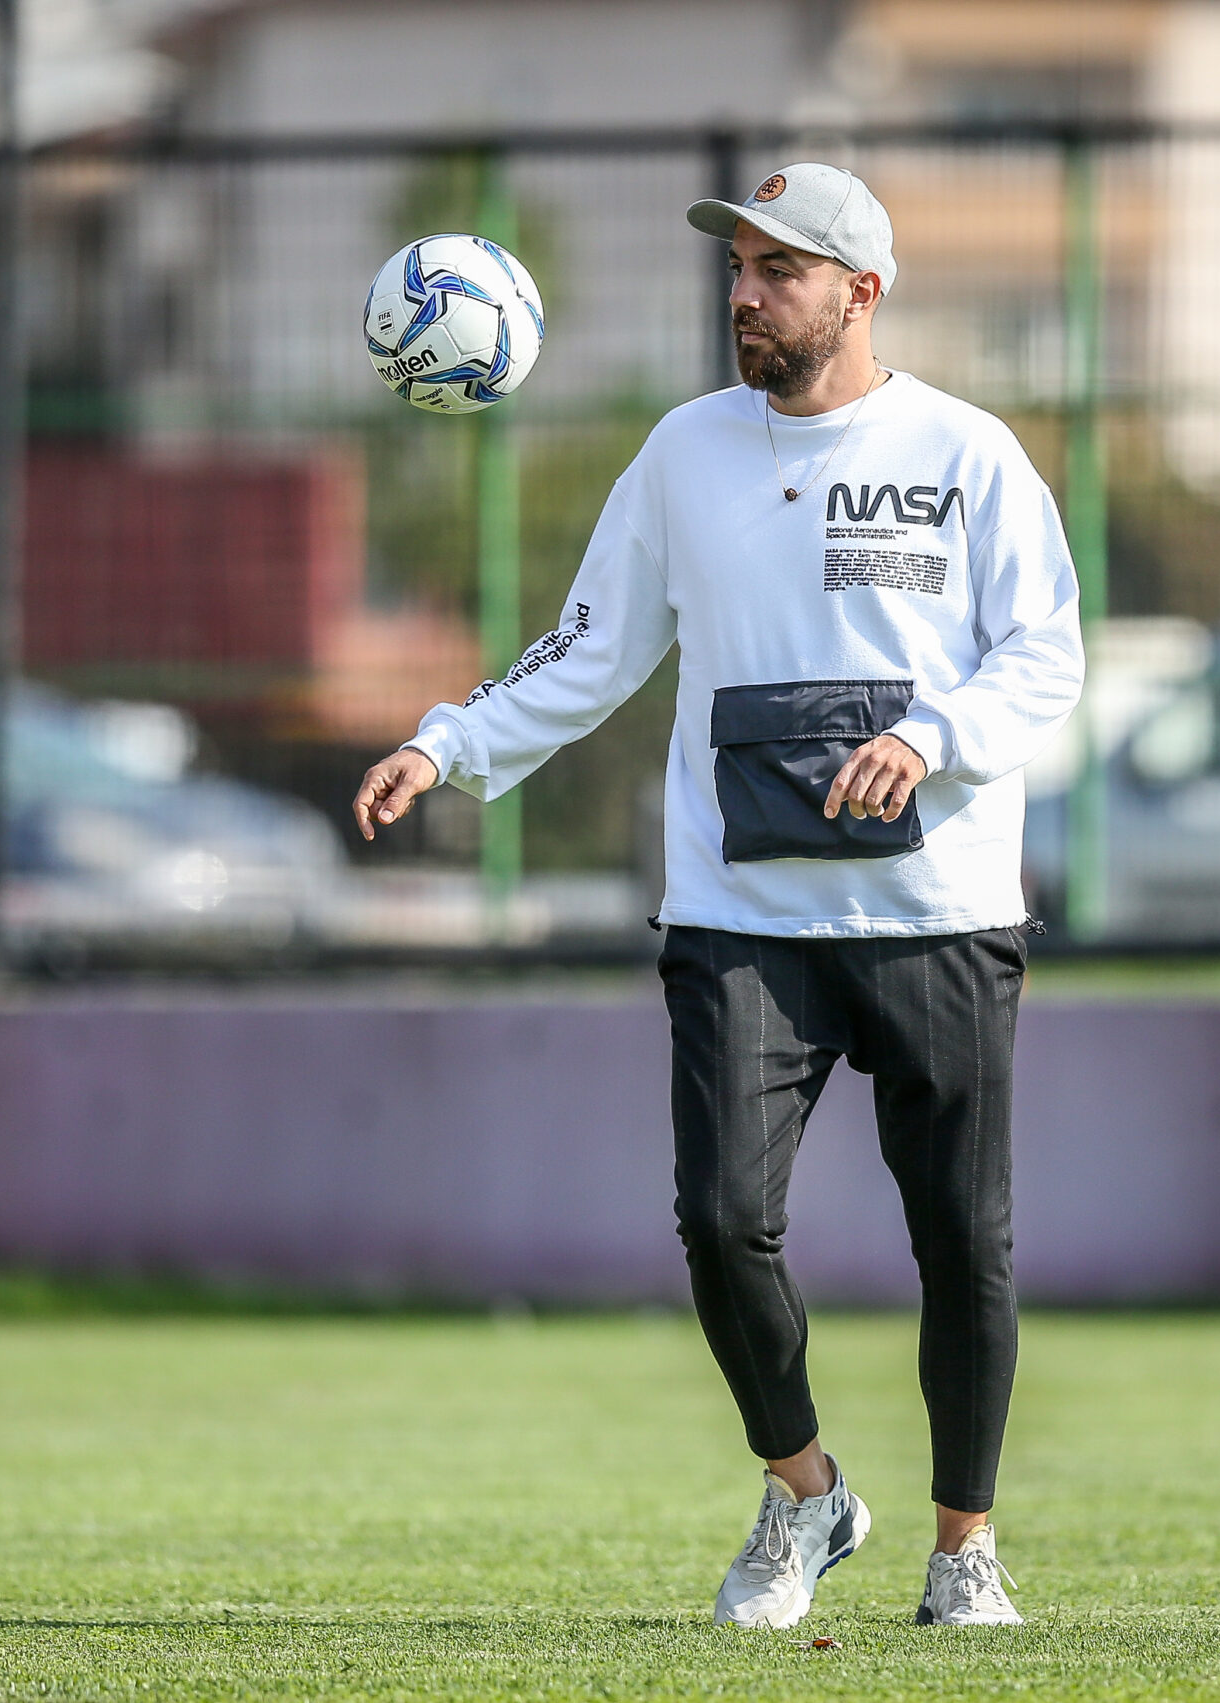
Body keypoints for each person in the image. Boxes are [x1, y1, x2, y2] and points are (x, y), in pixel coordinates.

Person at [353, 163, 1082, 1630]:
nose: (745, 295)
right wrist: (448, 743)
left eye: (778, 271)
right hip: (744, 918)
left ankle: (965, 1550)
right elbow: (588, 649)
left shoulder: (969, 452)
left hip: (939, 911)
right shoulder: (682, 454)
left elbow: (1045, 656)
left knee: (964, 1245)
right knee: (720, 1219)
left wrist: (931, 738)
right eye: (738, 269)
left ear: (861, 292)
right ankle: (806, 1493)